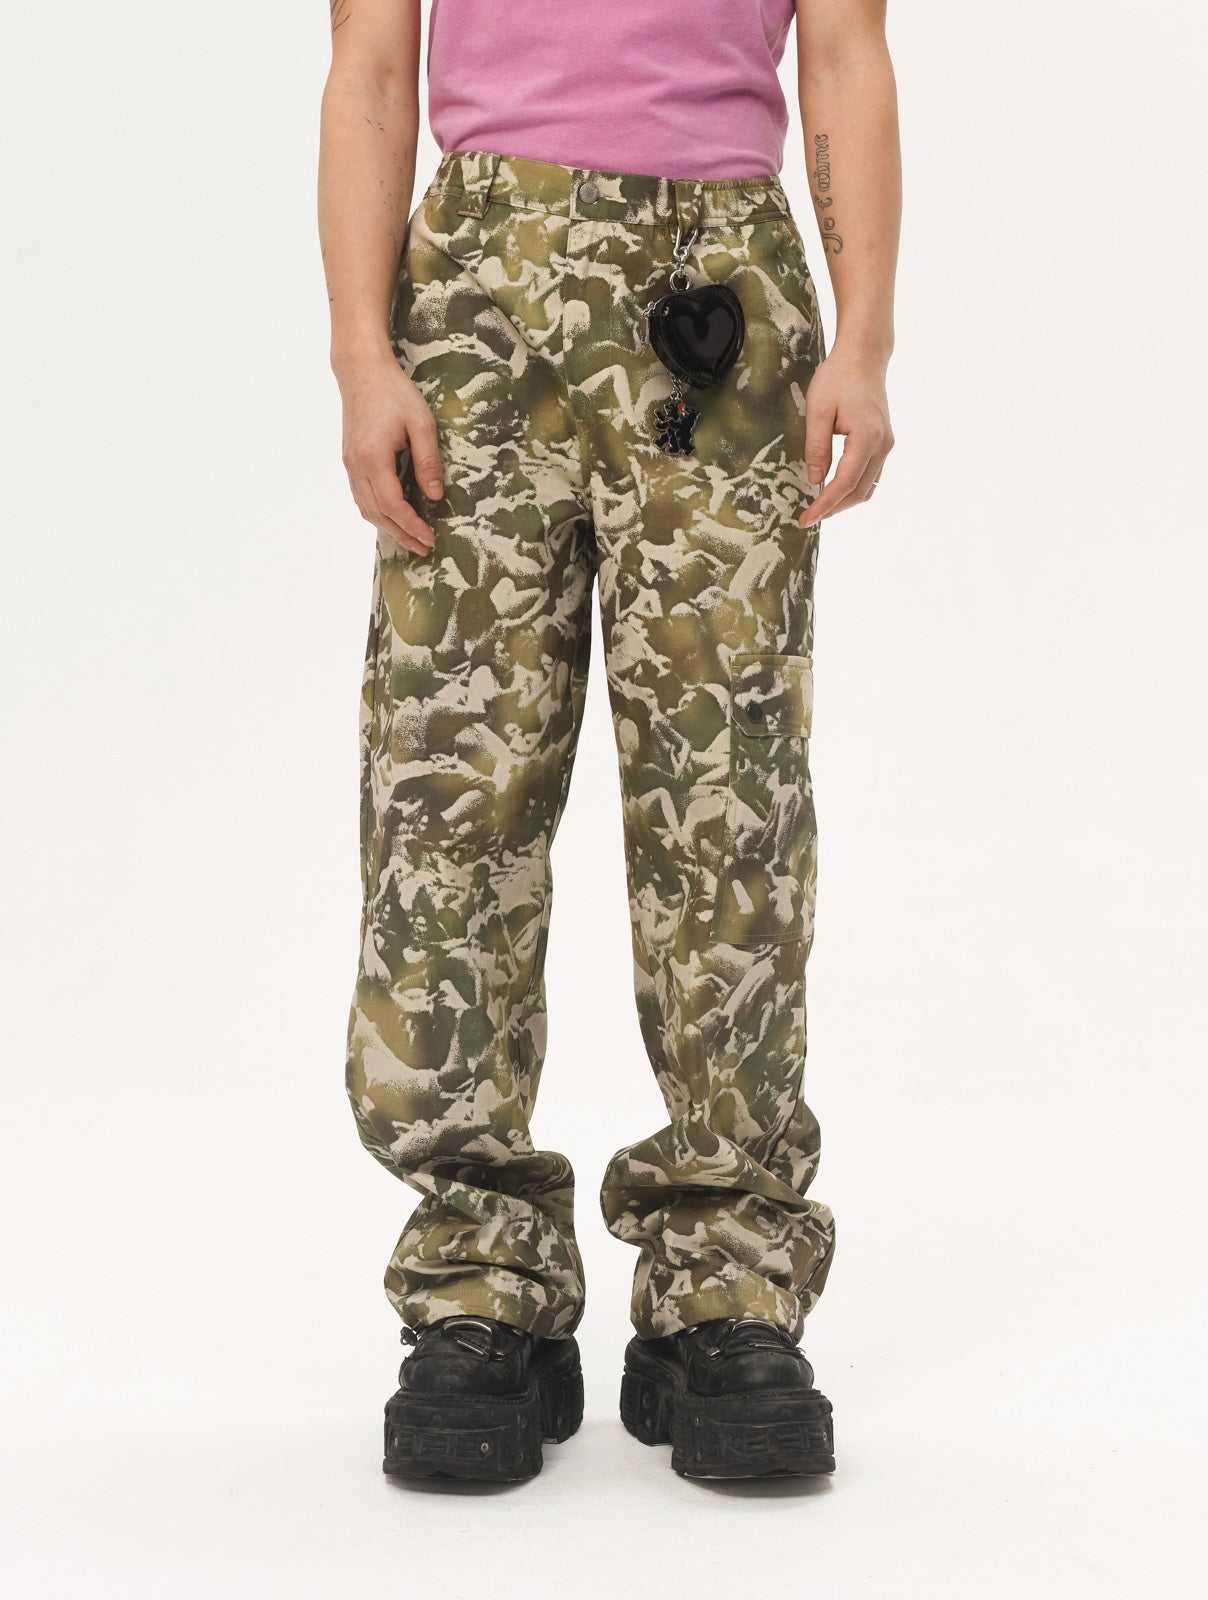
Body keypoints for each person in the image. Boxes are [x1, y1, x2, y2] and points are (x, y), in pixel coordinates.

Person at [317, 0, 899, 1484]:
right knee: (451, 791)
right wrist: (362, 356)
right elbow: (371, 63)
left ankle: (727, 1284)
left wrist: (867, 337)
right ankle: (478, 1284)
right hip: (475, 300)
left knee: (730, 800)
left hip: (722, 290)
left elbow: (843, 49)